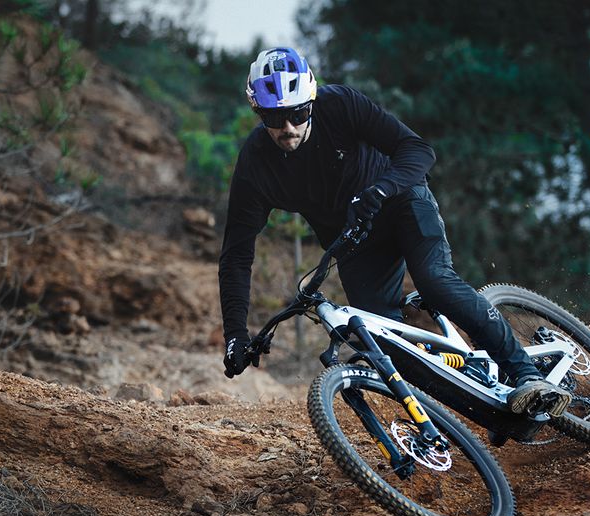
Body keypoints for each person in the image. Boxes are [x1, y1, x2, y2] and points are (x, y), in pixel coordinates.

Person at [218, 47, 570, 417]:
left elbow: (417, 150)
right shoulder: (255, 165)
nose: (287, 127)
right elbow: (237, 256)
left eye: (297, 112)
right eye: (275, 117)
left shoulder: (340, 105)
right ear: (259, 113)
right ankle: (479, 412)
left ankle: (527, 373)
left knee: (435, 282)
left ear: (312, 100)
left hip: (401, 201)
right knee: (385, 345)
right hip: (356, 242)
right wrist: (235, 336)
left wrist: (381, 188)